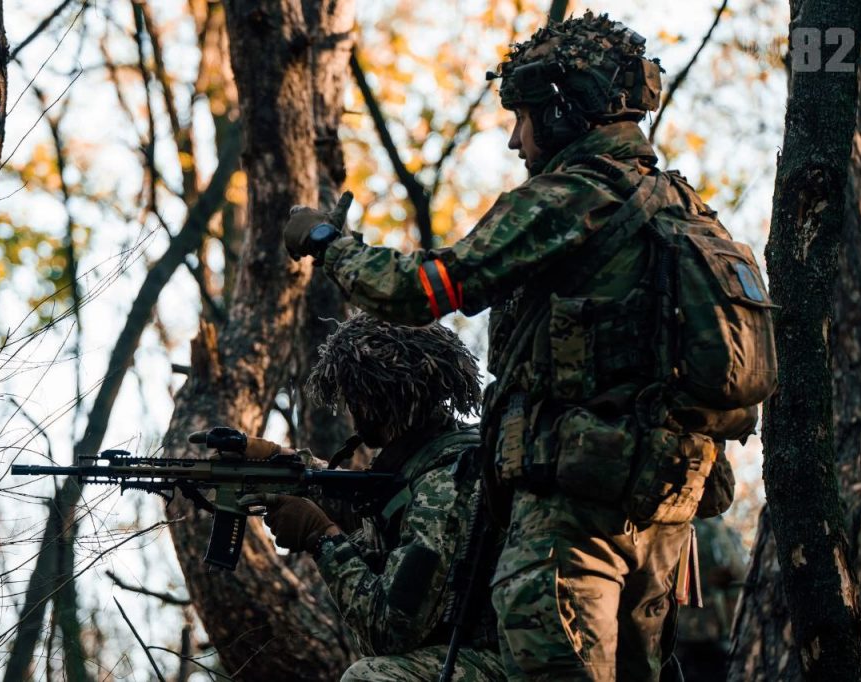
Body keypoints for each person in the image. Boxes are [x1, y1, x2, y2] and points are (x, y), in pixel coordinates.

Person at [281, 11, 773, 681]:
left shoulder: (570, 198)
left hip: (570, 526)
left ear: (565, 110)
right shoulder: (686, 210)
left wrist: (327, 245)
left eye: (523, 115)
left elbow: (422, 290)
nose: (515, 139)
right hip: (663, 518)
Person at [249, 313, 505, 681]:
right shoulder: (434, 460)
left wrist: (322, 539)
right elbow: (374, 502)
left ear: (377, 401)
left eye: (354, 397)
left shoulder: (442, 485)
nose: (351, 412)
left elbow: (390, 628)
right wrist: (290, 466)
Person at [669, 516, 748, 682]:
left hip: (720, 633)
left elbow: (741, 573)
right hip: (688, 634)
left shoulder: (724, 530)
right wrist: (706, 579)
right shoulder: (681, 528)